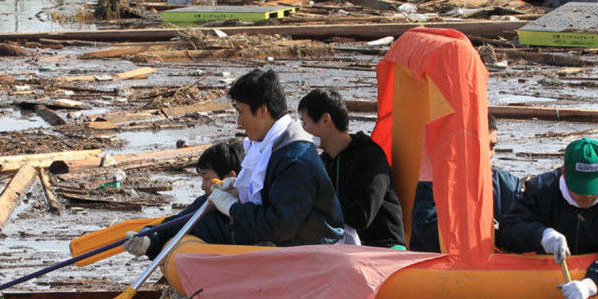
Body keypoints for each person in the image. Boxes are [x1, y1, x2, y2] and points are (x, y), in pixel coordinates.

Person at [194, 69, 344, 247]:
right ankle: (155, 237)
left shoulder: (295, 160)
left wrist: (233, 207)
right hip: (289, 241)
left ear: (262, 111)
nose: (239, 121)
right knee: (206, 214)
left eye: (241, 112)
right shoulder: (270, 148)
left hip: (312, 251)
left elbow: (280, 226)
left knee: (214, 227)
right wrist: (236, 191)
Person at [496, 138, 598, 299]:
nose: (587, 196)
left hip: (591, 281)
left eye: (593, 188)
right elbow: (507, 231)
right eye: (580, 189)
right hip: (543, 284)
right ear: (564, 173)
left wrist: (591, 284)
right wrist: (542, 236)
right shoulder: (541, 190)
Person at [296, 88, 405, 248]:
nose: (303, 130)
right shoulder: (323, 161)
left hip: (383, 247)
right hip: (343, 247)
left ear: (326, 120)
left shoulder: (369, 157)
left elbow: (363, 216)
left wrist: (319, 197)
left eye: (305, 122)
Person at [409, 115, 522, 253]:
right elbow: (428, 231)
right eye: (481, 145)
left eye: (492, 145)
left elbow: (525, 223)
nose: (489, 153)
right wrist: (486, 233)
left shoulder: (509, 184)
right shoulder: (434, 182)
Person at [124, 139, 243, 259]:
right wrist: (147, 240)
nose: (203, 186)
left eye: (206, 178)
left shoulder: (256, 210)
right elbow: (168, 228)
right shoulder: (204, 208)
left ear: (229, 178)